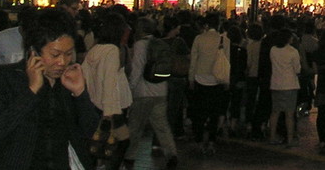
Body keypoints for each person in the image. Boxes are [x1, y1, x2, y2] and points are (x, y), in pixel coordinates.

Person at [0, 7, 98, 170]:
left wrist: (80, 93)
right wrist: (31, 90)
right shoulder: (4, 77)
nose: (62, 62)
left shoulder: (67, 81)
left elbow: (90, 130)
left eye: (68, 53)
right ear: (34, 51)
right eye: (55, 54)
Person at [82, 10, 133, 170]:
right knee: (120, 143)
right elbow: (109, 81)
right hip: (112, 107)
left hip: (97, 103)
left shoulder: (96, 49)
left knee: (100, 143)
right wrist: (110, 112)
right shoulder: (112, 51)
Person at [125, 17, 178, 169]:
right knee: (162, 126)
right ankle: (172, 153)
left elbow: (137, 69)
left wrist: (130, 89)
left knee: (135, 126)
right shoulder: (160, 43)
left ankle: (130, 156)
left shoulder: (140, 45)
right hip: (161, 90)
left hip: (143, 92)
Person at [189, 12, 228, 154]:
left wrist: (191, 78)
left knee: (199, 113)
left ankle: (199, 141)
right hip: (217, 79)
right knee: (214, 113)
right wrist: (226, 80)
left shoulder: (199, 39)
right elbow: (227, 62)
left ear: (206, 24)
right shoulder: (224, 40)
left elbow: (193, 60)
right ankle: (211, 141)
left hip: (200, 77)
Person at [268, 28, 301, 147]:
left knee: (275, 112)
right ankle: (290, 139)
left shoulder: (273, 50)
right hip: (290, 84)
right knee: (289, 114)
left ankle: (272, 136)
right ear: (288, 38)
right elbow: (297, 69)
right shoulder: (293, 51)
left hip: (276, 83)